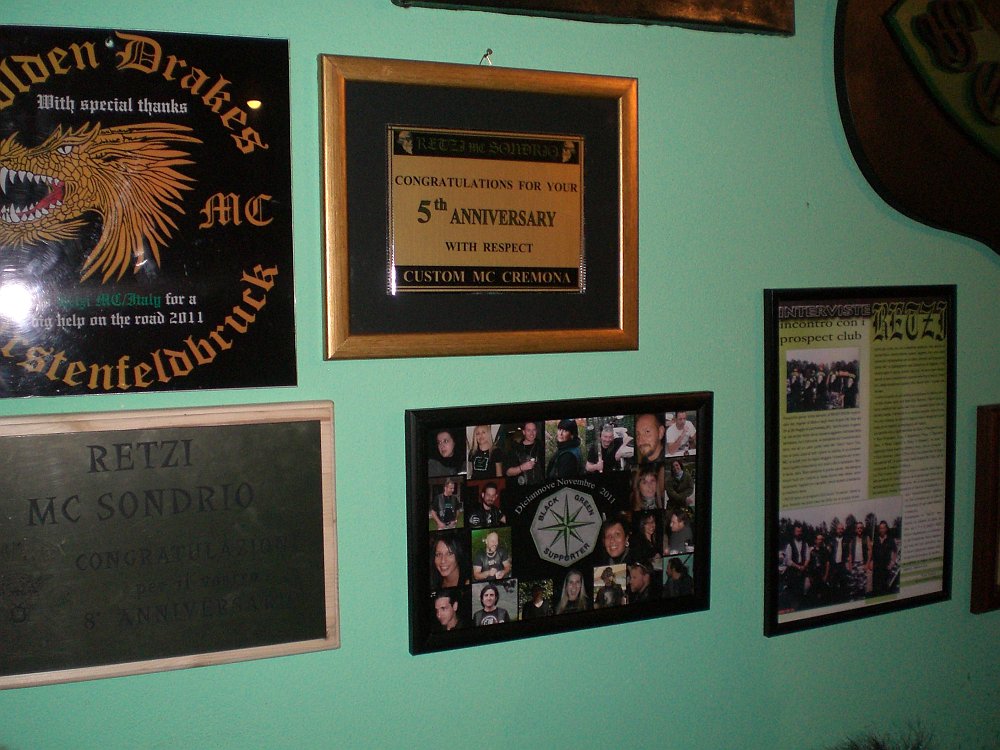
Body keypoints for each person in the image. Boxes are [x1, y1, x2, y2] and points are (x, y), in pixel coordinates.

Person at [506, 421, 544, 485]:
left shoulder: (541, 446)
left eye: (534, 430)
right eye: (529, 430)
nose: (532, 433)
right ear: (524, 432)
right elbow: (508, 472)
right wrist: (522, 467)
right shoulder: (516, 449)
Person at [783, 523, 810, 606]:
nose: (799, 533)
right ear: (794, 532)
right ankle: (794, 607)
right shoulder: (790, 544)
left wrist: (804, 566)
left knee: (805, 588)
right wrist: (798, 567)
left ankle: (803, 605)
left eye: (800, 531)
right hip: (793, 570)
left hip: (803, 569)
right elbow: (788, 561)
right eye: (797, 531)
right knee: (794, 590)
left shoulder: (805, 544)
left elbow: (808, 557)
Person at [870, 521, 898, 596]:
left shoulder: (890, 540)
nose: (882, 530)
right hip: (876, 567)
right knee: (875, 586)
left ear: (886, 529)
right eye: (880, 528)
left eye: (883, 528)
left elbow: (895, 551)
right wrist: (871, 561)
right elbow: (872, 552)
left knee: (884, 586)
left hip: (885, 567)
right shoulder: (875, 539)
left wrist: (892, 563)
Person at [848, 521, 871, 600]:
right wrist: (850, 565)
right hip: (854, 564)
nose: (859, 529)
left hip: (862, 563)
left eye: (861, 528)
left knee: (862, 584)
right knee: (853, 583)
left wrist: (867, 564)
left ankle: (861, 598)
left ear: (863, 529)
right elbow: (850, 553)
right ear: (855, 529)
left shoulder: (866, 538)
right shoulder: (852, 539)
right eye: (858, 528)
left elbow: (869, 551)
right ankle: (853, 599)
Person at [806, 532, 830, 605]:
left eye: (821, 539)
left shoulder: (825, 550)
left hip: (822, 574)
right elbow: (808, 563)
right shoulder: (811, 550)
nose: (820, 541)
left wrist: (826, 575)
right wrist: (809, 576)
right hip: (813, 575)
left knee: (823, 593)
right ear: (815, 540)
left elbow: (827, 563)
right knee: (813, 593)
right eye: (818, 539)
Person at [828, 522, 850, 602]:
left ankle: (843, 601)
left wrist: (848, 564)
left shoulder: (846, 540)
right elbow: (829, 553)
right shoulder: (831, 540)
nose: (840, 530)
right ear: (836, 530)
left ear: (843, 530)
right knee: (833, 584)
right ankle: (834, 601)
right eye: (839, 529)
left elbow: (849, 553)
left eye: (842, 529)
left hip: (842, 565)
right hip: (834, 565)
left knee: (843, 584)